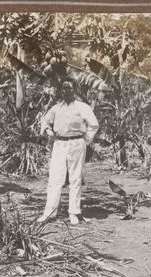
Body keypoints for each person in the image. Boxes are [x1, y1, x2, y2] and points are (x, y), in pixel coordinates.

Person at [38, 79, 99, 225]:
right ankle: (49, 213)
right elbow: (45, 121)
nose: (67, 91)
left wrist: (86, 140)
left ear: (75, 90)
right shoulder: (56, 108)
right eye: (64, 88)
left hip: (77, 143)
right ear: (61, 91)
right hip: (59, 144)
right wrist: (48, 130)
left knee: (75, 179)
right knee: (55, 179)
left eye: (70, 88)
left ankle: (74, 212)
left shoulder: (82, 107)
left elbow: (94, 125)